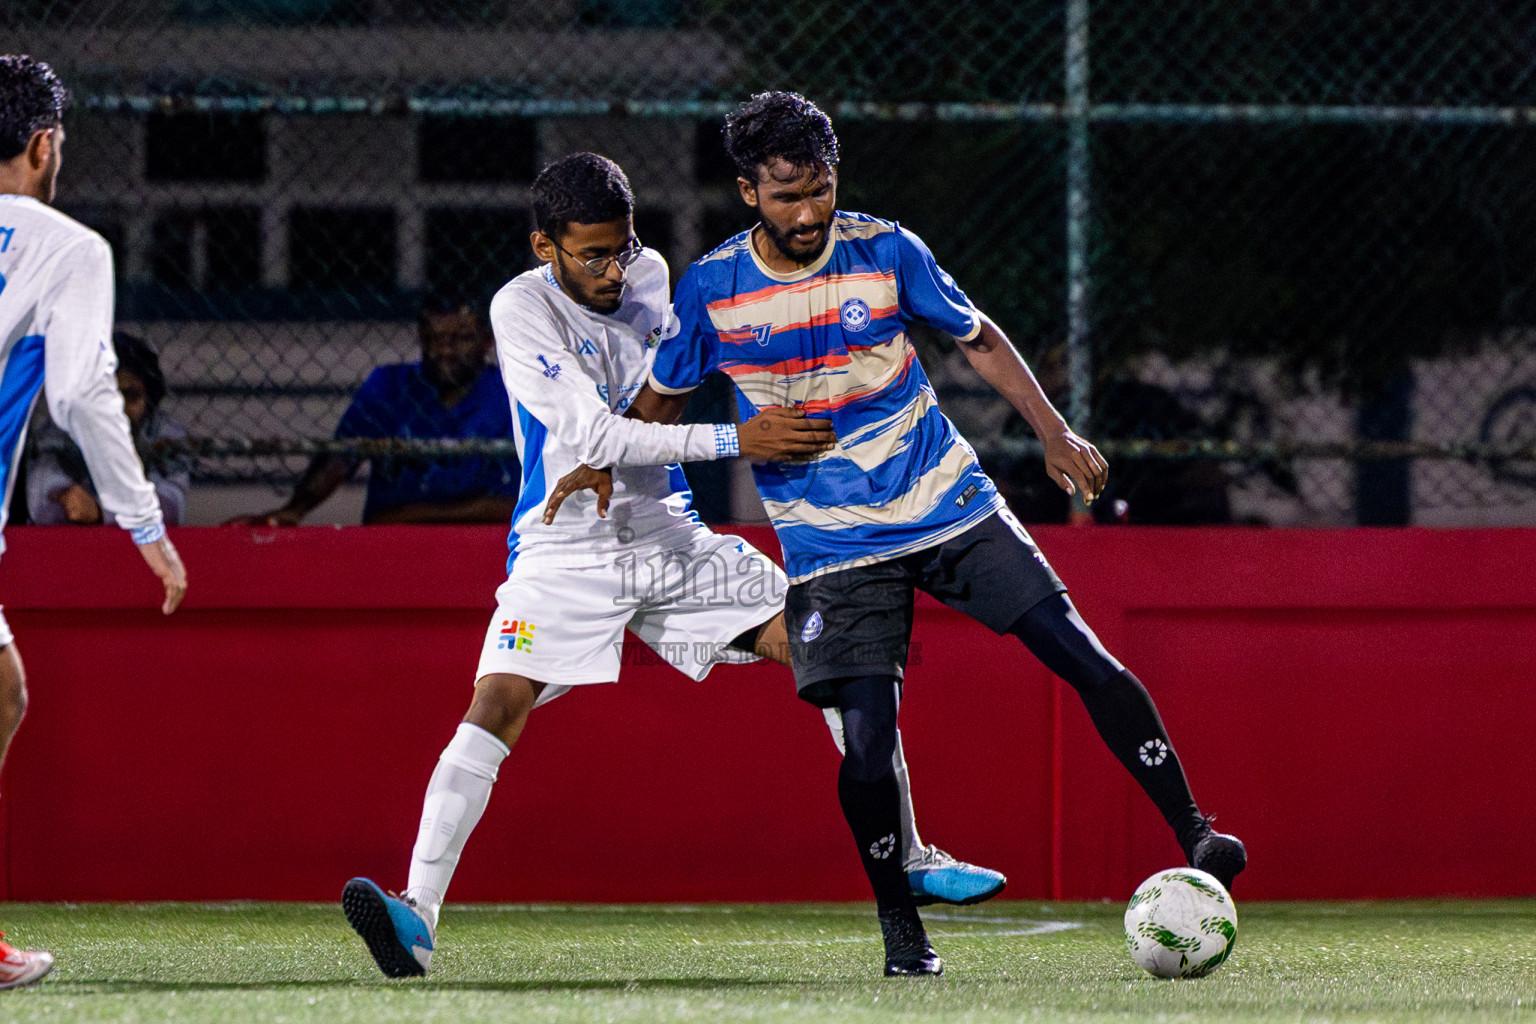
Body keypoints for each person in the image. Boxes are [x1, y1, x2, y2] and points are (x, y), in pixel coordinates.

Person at [340, 153, 1004, 979]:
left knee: (831, 648)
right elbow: (594, 440)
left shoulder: (652, 274)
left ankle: (904, 849)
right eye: (593, 255)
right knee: (497, 700)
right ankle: (416, 917)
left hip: (671, 536)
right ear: (545, 246)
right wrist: (737, 440)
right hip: (566, 544)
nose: (616, 270)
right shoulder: (519, 308)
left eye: (624, 247)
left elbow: (685, 371)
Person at [631, 92, 1246, 976]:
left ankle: (1198, 831)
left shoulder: (888, 249)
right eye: (787, 196)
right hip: (832, 544)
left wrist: (1052, 430)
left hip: (947, 503)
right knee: (868, 737)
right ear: (746, 191)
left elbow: (979, 338)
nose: (808, 213)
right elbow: (657, 408)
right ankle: (901, 930)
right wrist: (612, 473)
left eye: (821, 190)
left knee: (1083, 655)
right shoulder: (712, 291)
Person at [0, 54, 188, 987]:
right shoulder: (66, 247)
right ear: (44, 145)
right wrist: (144, 524)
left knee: (2, 693)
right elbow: (80, 391)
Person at [226, 298, 520, 526]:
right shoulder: (390, 384)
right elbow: (342, 456)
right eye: (432, 339)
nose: (444, 351)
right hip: (395, 542)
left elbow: (510, 508)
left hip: (481, 542)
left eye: (460, 339)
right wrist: (293, 511)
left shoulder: (510, 392)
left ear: (487, 341)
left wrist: (405, 514)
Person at [27, 330, 190, 526]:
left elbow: (171, 508)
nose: (119, 409)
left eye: (131, 396)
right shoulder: (63, 427)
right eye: (108, 396)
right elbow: (43, 504)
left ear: (149, 402)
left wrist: (101, 513)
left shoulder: (164, 432)